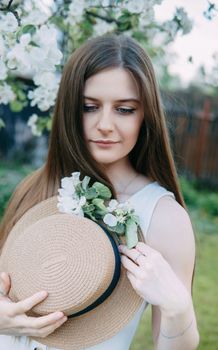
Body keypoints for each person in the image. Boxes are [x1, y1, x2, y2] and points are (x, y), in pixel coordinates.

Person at [0, 33, 200, 349]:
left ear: (145, 114)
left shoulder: (161, 217)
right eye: (90, 107)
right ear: (69, 110)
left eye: (124, 109)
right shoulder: (35, 189)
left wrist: (178, 306)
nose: (105, 124)